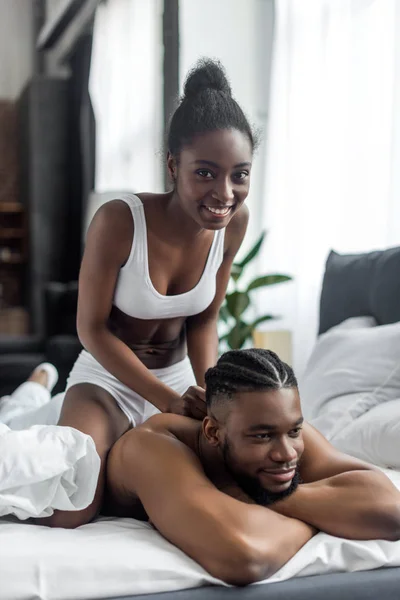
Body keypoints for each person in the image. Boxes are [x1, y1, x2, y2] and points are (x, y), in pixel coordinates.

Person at [39, 58, 255, 528]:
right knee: (68, 512)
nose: (225, 192)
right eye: (205, 173)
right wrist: (164, 400)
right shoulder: (120, 221)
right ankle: (32, 402)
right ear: (174, 166)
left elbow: (204, 320)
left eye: (239, 174)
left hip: (179, 383)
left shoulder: (233, 224)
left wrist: (214, 396)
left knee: (230, 484)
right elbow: (90, 329)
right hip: (107, 383)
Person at [104, 349, 400, 586]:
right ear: (212, 433)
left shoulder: (276, 422)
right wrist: (326, 516)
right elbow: (243, 557)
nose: (286, 454)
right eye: (262, 436)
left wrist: (255, 498)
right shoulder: (152, 446)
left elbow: (391, 510)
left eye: (295, 431)